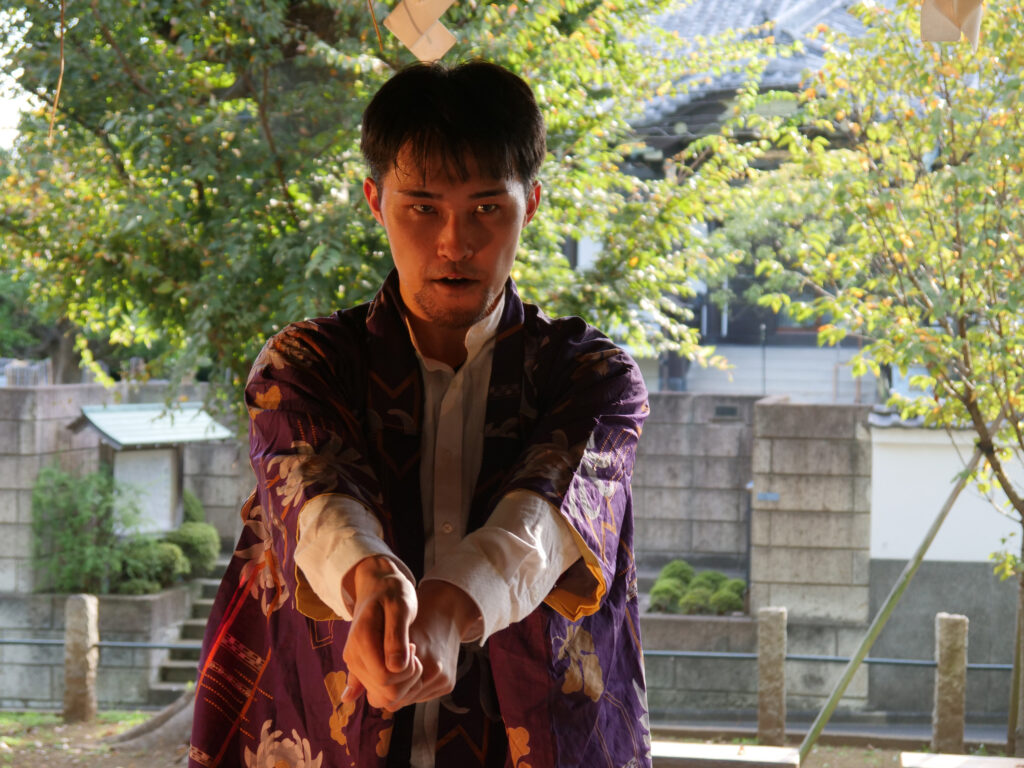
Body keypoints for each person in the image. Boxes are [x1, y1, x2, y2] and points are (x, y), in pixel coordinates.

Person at [188, 60, 651, 768]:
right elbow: (315, 496)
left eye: (486, 209)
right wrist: (371, 581)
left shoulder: (592, 375)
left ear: (532, 203)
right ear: (375, 201)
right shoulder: (306, 364)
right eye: (424, 208)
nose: (454, 243)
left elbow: (547, 518)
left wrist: (444, 609)